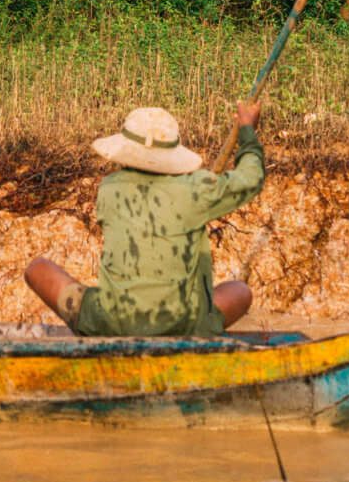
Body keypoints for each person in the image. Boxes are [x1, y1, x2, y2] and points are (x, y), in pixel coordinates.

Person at [25, 100, 263, 336]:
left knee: (37, 269)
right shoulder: (195, 190)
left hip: (112, 322)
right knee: (240, 291)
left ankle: (96, 331)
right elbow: (251, 177)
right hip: (183, 325)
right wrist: (247, 129)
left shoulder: (108, 189)